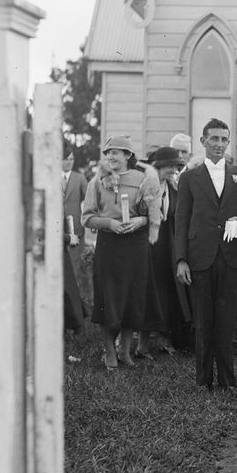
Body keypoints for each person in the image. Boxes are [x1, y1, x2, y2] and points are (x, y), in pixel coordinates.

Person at [175, 118, 237, 397]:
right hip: (200, 257)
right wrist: (181, 259)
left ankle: (227, 381)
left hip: (232, 257)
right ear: (203, 142)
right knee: (203, 319)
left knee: (226, 320)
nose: (219, 145)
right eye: (214, 139)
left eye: (224, 139)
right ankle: (203, 381)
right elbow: (182, 220)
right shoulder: (189, 178)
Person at [82, 136, 161, 369]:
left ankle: (125, 352)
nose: (111, 157)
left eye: (117, 152)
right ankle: (109, 353)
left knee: (132, 299)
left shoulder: (143, 179)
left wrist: (141, 220)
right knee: (110, 299)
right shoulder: (96, 182)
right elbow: (86, 217)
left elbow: (154, 213)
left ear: (128, 156)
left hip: (136, 245)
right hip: (110, 245)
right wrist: (109, 224)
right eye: (108, 153)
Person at [139, 147, 192, 355]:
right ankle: (140, 342)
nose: (173, 170)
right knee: (145, 290)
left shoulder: (173, 188)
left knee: (165, 290)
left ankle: (162, 337)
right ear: (158, 166)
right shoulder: (145, 185)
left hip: (166, 245)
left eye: (176, 166)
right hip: (146, 243)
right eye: (170, 166)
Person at [63, 145, 90, 303]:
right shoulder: (52, 177)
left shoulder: (79, 179)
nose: (69, 162)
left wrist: (90, 219)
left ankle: (78, 302)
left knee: (76, 268)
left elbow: (89, 202)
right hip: (59, 230)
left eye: (71, 159)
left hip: (76, 231)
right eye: (66, 159)